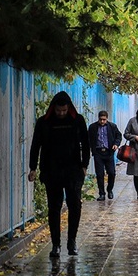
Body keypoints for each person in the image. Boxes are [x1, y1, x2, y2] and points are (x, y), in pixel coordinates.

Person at [28, 91, 90, 258]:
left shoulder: (78, 120)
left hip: (73, 170)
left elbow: (86, 143)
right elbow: (36, 145)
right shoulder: (44, 122)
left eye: (64, 111)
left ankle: (72, 241)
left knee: (75, 206)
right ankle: (55, 244)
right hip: (51, 170)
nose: (61, 114)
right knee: (54, 208)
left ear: (68, 108)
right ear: (53, 108)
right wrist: (33, 167)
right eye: (58, 111)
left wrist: (84, 166)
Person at [87, 110, 122, 201]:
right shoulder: (92, 127)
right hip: (98, 153)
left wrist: (116, 144)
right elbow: (88, 138)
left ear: (107, 119)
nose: (102, 121)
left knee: (111, 173)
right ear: (98, 118)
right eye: (100, 119)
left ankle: (109, 189)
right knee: (99, 174)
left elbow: (118, 136)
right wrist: (91, 148)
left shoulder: (112, 126)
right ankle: (101, 193)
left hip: (109, 152)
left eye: (104, 119)